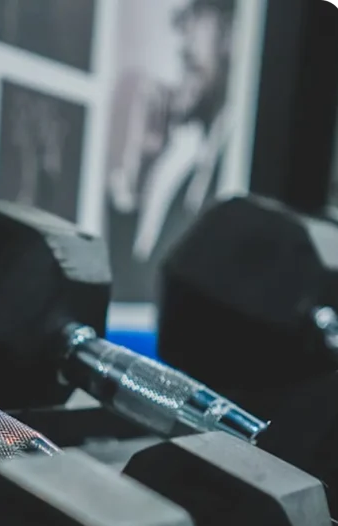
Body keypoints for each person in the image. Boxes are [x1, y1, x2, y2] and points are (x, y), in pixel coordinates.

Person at [106, 0, 235, 302]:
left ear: (228, 34)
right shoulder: (184, 165)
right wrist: (139, 170)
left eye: (195, 16)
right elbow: (134, 279)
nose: (182, 35)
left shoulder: (219, 168)